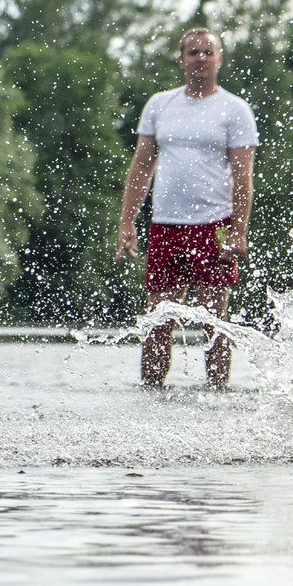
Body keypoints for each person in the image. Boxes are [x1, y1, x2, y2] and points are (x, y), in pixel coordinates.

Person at [116, 28, 258, 389]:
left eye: (207, 52)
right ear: (181, 60)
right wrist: (128, 222)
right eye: (193, 53)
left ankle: (218, 393)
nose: (200, 59)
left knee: (214, 319)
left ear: (219, 60)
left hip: (214, 224)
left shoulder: (234, 110)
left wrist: (239, 230)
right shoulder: (160, 105)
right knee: (157, 318)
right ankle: (150, 394)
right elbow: (141, 167)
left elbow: (243, 178)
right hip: (165, 225)